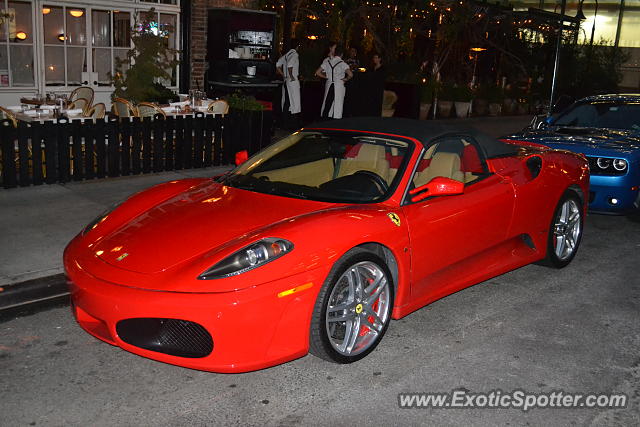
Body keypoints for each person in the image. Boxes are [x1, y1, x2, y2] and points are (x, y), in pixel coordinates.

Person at [315, 45, 353, 119]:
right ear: (342, 54)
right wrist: (346, 79)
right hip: (338, 85)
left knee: (327, 103)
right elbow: (351, 74)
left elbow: (317, 72)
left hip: (329, 85)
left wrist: (327, 77)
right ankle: (336, 121)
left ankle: (325, 120)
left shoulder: (327, 62)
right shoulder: (342, 63)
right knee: (338, 103)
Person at [276, 40, 302, 128]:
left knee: (287, 102)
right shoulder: (295, 54)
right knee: (294, 103)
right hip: (292, 81)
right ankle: (293, 124)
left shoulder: (287, 55)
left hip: (286, 81)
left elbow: (278, 64)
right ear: (297, 46)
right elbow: (290, 65)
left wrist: (284, 75)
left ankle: (285, 123)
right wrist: (291, 76)